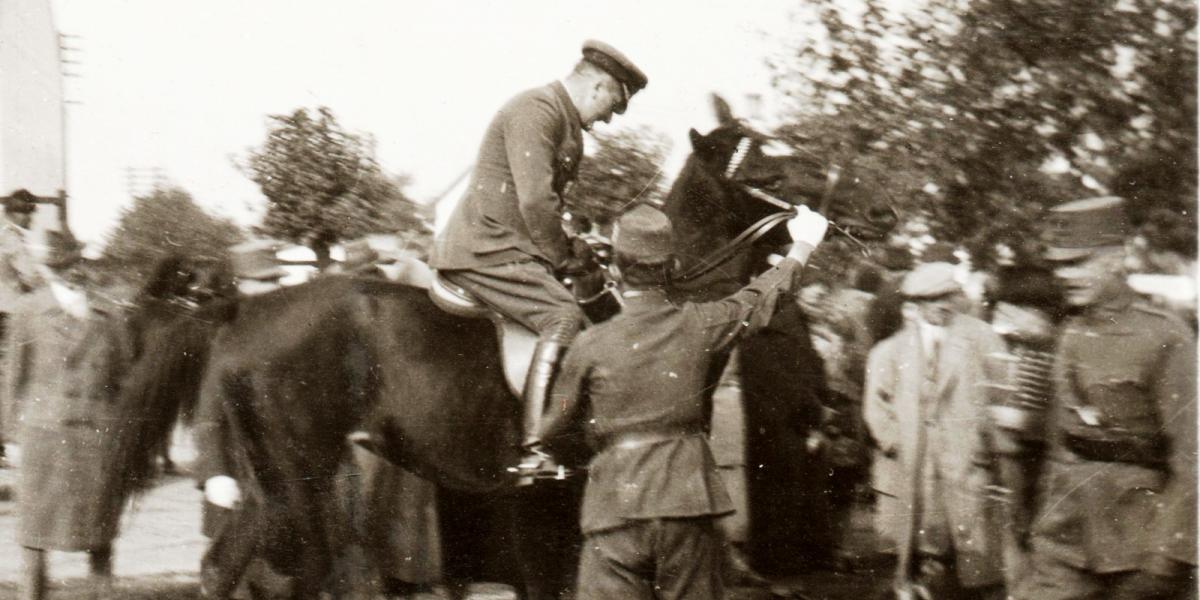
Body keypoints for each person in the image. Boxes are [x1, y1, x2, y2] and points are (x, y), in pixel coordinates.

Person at [539, 203, 830, 599]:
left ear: (618, 270)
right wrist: (803, 246)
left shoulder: (590, 344)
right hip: (687, 499)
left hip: (614, 503)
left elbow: (553, 428)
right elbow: (760, 297)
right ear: (673, 266)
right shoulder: (700, 323)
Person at [430, 40, 648, 475]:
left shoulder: (561, 120)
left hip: (509, 246)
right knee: (563, 317)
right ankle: (536, 447)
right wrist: (562, 255)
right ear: (600, 86)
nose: (607, 119)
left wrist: (575, 248)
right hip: (485, 248)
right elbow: (534, 203)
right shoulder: (537, 110)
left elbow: (545, 206)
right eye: (612, 106)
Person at [1018, 196, 1196, 600]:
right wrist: (1042, 527)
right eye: (1059, 264)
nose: (1065, 275)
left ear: (1116, 257)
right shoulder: (1070, 332)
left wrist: (1167, 554)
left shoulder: (1165, 335)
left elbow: (1192, 455)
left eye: (1078, 262)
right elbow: (1060, 443)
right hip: (1065, 538)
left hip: (1138, 543)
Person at [862, 261, 1009, 599]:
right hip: (916, 465)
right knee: (922, 543)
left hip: (965, 458)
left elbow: (1002, 391)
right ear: (915, 304)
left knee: (974, 549)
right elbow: (876, 406)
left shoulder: (981, 338)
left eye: (947, 297)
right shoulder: (891, 350)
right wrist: (896, 443)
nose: (942, 306)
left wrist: (984, 441)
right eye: (931, 300)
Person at [9, 230, 134, 600]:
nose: (71, 271)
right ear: (49, 270)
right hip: (44, 438)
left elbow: (125, 380)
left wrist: (122, 435)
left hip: (96, 438)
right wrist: (11, 438)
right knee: (35, 539)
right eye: (61, 266)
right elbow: (14, 379)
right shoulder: (28, 311)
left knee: (99, 540)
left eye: (75, 263)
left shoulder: (109, 312)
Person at [195, 238, 296, 600]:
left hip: (284, 477)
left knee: (282, 578)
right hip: (236, 476)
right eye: (263, 282)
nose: (273, 290)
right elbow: (207, 411)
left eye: (276, 281)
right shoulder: (226, 337)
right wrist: (215, 473)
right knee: (234, 578)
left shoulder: (294, 334)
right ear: (243, 286)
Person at [0, 189, 42, 466]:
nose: (32, 220)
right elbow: (30, 275)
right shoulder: (11, 238)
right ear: (18, 212)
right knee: (11, 374)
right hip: (9, 313)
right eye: (29, 213)